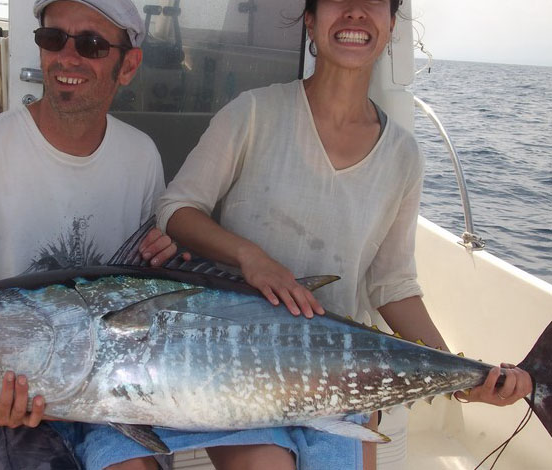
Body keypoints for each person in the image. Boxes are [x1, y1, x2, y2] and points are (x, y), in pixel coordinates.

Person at [137, 0, 534, 469]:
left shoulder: (403, 155)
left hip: (342, 372)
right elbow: (177, 209)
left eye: (373, 3)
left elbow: (393, 284)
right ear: (310, 19)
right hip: (234, 362)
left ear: (390, 23)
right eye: (336, 1)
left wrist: (463, 375)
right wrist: (250, 256)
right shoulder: (254, 113)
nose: (354, 13)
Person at [0, 1, 177, 469]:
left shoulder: (141, 156)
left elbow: (140, 294)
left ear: (129, 66)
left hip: (114, 389)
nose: (67, 57)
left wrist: (166, 254)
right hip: (10, 397)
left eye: (92, 44)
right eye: (53, 39)